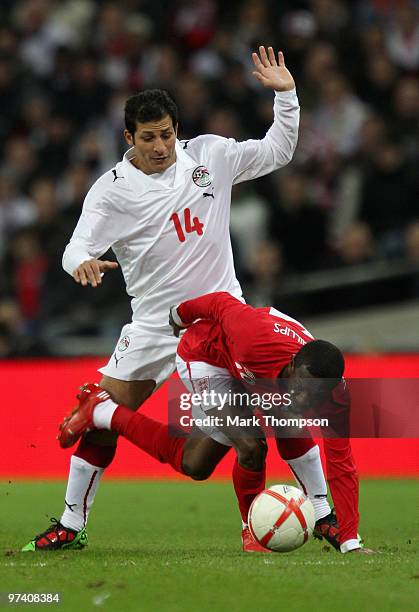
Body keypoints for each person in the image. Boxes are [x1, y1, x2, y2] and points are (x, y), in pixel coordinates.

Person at [22, 46, 301, 551]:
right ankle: (70, 522)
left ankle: (253, 531)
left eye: (167, 134)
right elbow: (75, 247)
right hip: (153, 326)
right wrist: (80, 263)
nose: (159, 146)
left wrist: (286, 96)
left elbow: (278, 150)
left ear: (178, 129)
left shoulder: (211, 156)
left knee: (226, 450)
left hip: (219, 326)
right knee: (104, 422)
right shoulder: (111, 191)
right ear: (128, 137)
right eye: (148, 137)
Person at [57, 292, 373, 554]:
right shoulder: (253, 336)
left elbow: (342, 464)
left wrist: (349, 541)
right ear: (292, 367)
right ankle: (253, 530)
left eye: (316, 393)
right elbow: (221, 302)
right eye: (302, 385)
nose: (306, 397)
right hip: (204, 357)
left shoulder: (335, 398)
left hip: (243, 371)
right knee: (251, 446)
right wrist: (180, 314)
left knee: (195, 464)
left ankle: (104, 412)